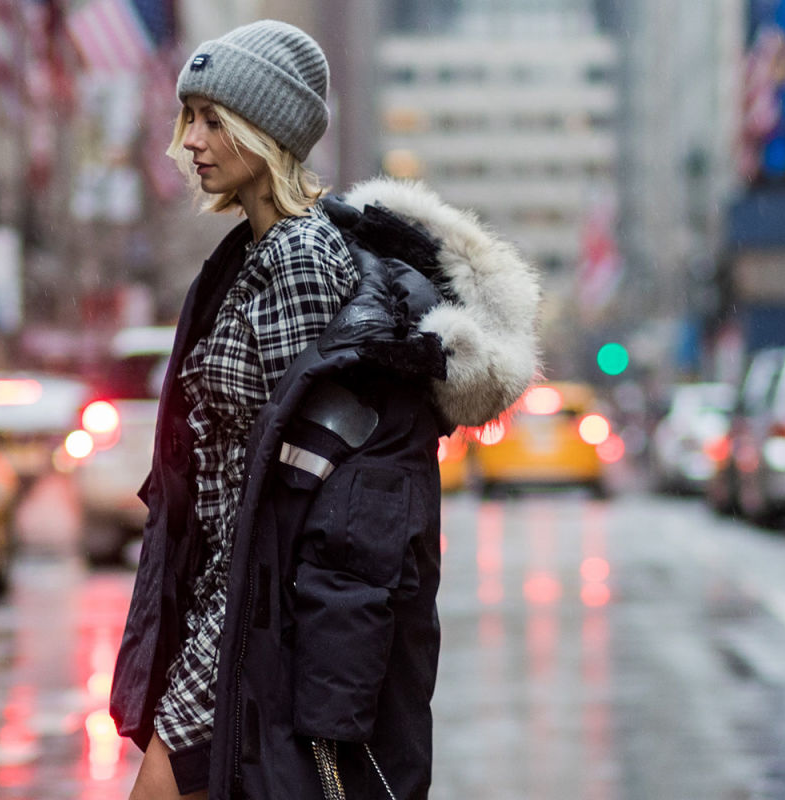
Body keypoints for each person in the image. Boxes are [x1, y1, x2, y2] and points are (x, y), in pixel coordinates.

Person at [111, 20, 541, 800]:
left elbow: (278, 497)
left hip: (253, 620)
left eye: (215, 121)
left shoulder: (302, 263)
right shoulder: (250, 258)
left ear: (264, 132)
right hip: (231, 608)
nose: (193, 142)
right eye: (190, 119)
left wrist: (197, 687)